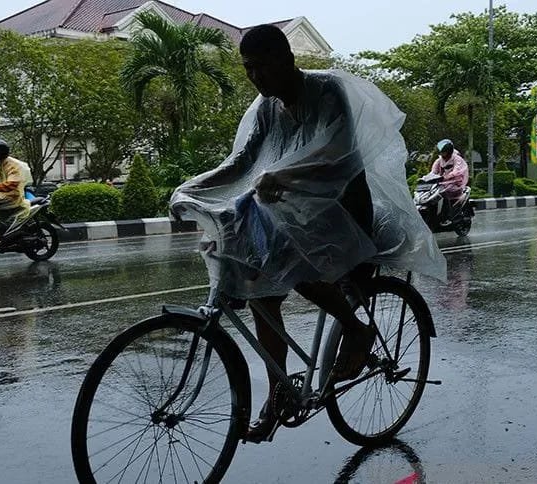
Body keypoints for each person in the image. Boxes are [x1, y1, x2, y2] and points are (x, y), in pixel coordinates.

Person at [171, 25, 445, 442]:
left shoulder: (328, 92)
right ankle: (279, 390)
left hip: (345, 211)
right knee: (260, 285)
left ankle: (355, 328)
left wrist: (283, 174)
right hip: (297, 210)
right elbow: (243, 162)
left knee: (285, 261)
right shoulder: (266, 108)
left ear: (287, 59)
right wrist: (192, 187)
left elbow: (339, 155)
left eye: (262, 66)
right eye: (248, 69)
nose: (255, 77)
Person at [429, 139, 469, 222]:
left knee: (444, 193)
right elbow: (433, 172)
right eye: (441, 152)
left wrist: (447, 176)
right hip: (444, 182)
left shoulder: (456, 159)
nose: (442, 154)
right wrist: (426, 178)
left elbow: (457, 171)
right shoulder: (439, 160)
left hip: (456, 182)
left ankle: (447, 215)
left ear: (449, 151)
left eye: (444, 152)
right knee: (433, 194)